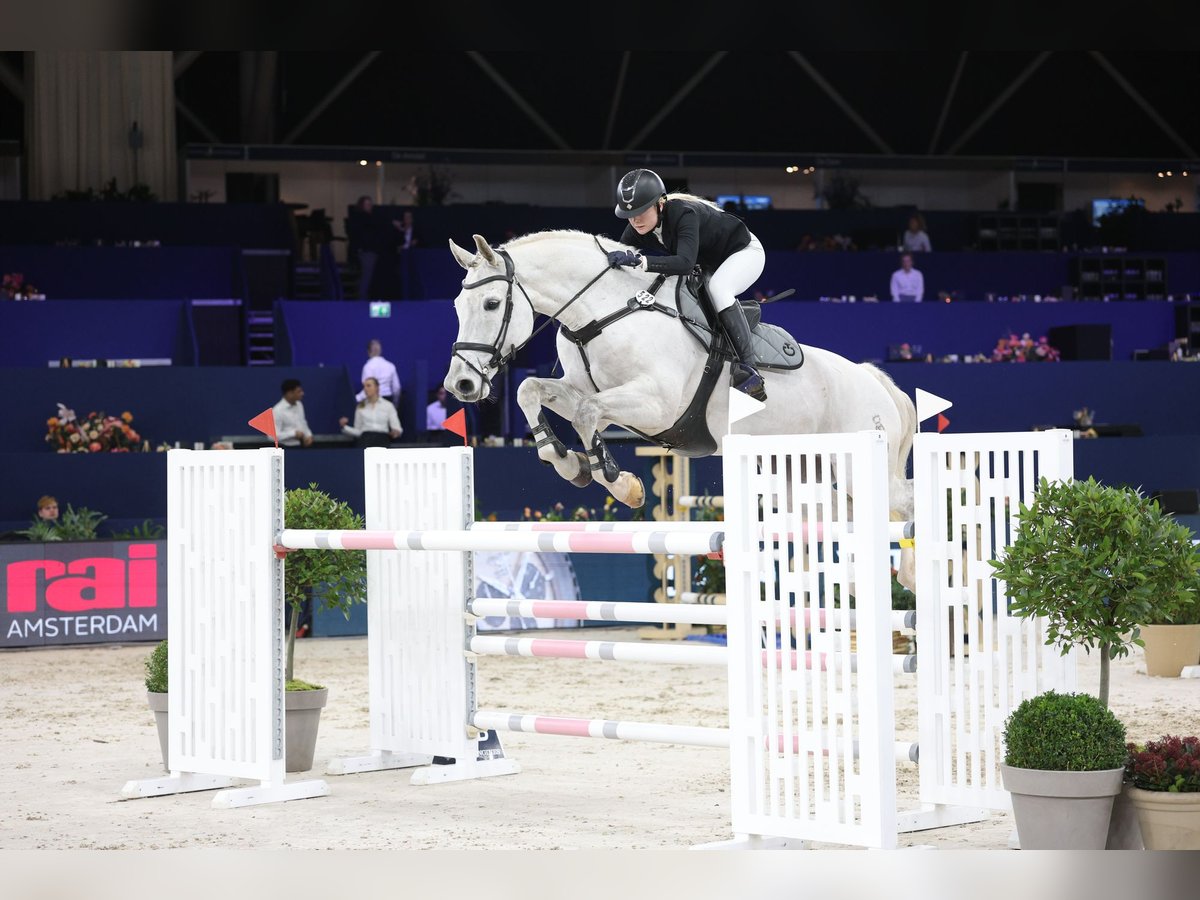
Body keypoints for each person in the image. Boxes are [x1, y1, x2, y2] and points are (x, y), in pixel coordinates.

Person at [608, 168, 767, 402]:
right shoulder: (636, 227)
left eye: (641, 211)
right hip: (709, 263)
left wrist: (640, 261)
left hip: (743, 253)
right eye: (629, 215)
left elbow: (684, 263)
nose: (635, 220)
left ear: (660, 204)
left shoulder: (684, 213)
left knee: (719, 289)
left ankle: (750, 372)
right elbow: (619, 253)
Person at [346, 195, 402, 299]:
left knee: (367, 275)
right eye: (367, 204)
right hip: (366, 251)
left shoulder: (367, 218)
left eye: (370, 204)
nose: (370, 206)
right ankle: (362, 298)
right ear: (362, 205)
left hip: (367, 251)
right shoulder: (363, 218)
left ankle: (362, 296)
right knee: (367, 275)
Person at [340, 377, 402, 448]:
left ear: (377, 388)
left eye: (368, 386)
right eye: (364, 386)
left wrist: (396, 432)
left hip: (382, 440)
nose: (365, 389)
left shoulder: (388, 406)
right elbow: (358, 431)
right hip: (365, 441)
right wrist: (344, 427)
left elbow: (396, 427)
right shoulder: (360, 406)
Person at [357, 338, 401, 405]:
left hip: (373, 402)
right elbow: (397, 388)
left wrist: (355, 399)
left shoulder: (368, 367)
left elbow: (368, 388)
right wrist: (394, 404)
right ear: (380, 351)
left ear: (368, 351)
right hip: (388, 400)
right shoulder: (390, 366)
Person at [273, 378, 313, 447]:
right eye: (299, 391)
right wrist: (293, 434)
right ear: (290, 393)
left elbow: (303, 422)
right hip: (285, 448)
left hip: (301, 447)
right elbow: (272, 436)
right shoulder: (277, 411)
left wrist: (309, 435)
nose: (302, 393)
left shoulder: (299, 405)